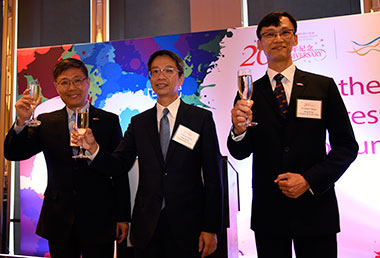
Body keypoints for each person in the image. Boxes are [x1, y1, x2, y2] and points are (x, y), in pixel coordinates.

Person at [227, 11, 358, 258]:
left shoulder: (323, 86)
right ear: (259, 44)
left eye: (284, 32)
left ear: (295, 39)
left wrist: (310, 180)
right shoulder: (248, 94)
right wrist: (238, 130)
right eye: (269, 34)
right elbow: (240, 152)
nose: (278, 39)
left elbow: (347, 147)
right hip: (270, 213)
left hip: (316, 209)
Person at [78, 50, 224, 258]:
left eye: (167, 70)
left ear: (181, 77)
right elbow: (118, 164)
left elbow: (213, 177)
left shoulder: (200, 118)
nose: (160, 76)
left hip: (189, 224)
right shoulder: (140, 123)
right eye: (155, 71)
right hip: (147, 225)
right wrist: (93, 149)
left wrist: (210, 227)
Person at [4, 58, 130, 258]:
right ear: (56, 86)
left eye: (77, 81)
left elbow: (120, 171)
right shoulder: (46, 121)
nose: (72, 88)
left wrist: (123, 216)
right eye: (64, 82)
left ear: (87, 82)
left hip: (99, 217)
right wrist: (21, 121)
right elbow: (13, 153)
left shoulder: (108, 121)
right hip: (59, 217)